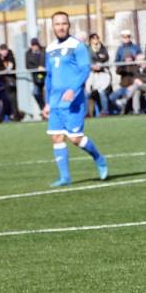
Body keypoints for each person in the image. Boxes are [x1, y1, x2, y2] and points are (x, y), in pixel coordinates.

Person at [43, 11, 108, 187]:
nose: (61, 27)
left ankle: (99, 158)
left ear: (69, 25)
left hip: (74, 100)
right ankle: (65, 177)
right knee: (56, 137)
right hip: (55, 101)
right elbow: (49, 77)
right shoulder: (49, 49)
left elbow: (85, 70)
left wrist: (73, 89)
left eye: (64, 23)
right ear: (53, 26)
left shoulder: (77, 46)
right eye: (57, 24)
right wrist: (47, 102)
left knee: (75, 139)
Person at [86, 34, 110, 116]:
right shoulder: (87, 49)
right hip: (91, 74)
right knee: (88, 93)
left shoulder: (102, 48)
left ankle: (105, 112)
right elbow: (86, 61)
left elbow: (106, 58)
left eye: (97, 38)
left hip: (102, 74)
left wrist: (100, 64)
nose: (95, 40)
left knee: (102, 92)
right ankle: (87, 113)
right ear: (90, 40)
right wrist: (92, 66)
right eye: (93, 38)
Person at [25, 38, 47, 111]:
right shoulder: (28, 54)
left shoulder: (44, 51)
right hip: (37, 77)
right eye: (33, 45)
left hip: (47, 75)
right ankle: (43, 109)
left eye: (36, 45)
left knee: (49, 93)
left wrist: (43, 66)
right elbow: (28, 66)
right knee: (36, 92)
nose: (35, 47)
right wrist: (38, 68)